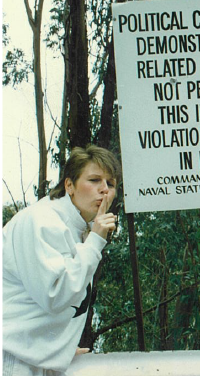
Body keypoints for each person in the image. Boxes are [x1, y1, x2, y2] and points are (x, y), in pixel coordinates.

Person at [3, 145, 121, 376]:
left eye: (111, 183)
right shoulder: (41, 220)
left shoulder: (79, 228)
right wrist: (96, 240)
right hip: (14, 357)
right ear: (69, 185)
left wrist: (60, 347)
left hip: (38, 356)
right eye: (95, 180)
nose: (104, 190)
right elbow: (55, 295)